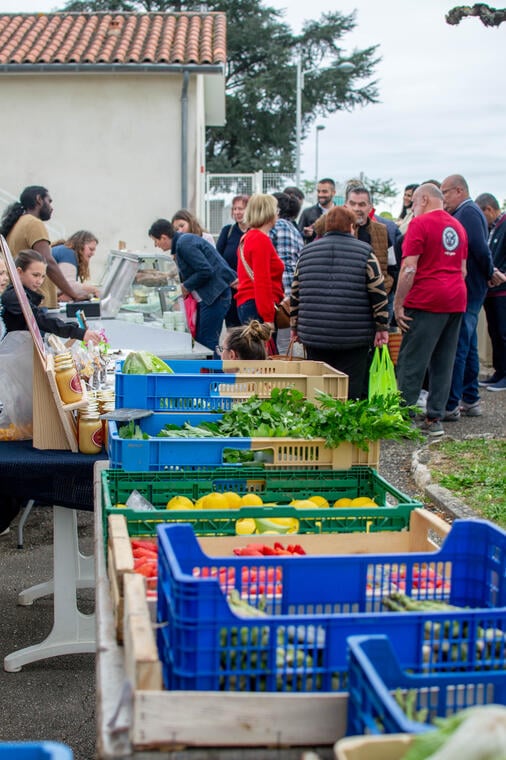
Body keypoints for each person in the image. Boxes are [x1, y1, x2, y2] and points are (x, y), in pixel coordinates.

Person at [290, 206, 389, 399]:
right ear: (352, 226)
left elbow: (295, 293)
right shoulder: (365, 252)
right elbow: (378, 291)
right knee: (349, 386)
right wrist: (381, 326)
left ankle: (320, 423)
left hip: (314, 334)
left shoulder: (307, 253)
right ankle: (346, 422)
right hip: (353, 337)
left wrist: (295, 326)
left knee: (319, 386)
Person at [394, 183, 468, 437]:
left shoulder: (420, 224)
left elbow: (409, 268)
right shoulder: (457, 226)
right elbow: (463, 270)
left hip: (427, 299)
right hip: (456, 298)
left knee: (412, 360)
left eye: (413, 203)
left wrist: (398, 302)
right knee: (444, 361)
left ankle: (404, 417)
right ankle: (434, 417)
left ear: (423, 199)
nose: (412, 208)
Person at [441, 174, 497, 421]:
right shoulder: (465, 213)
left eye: (445, 192)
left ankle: (451, 404)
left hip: (469, 289)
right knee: (468, 346)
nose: (443, 199)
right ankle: (471, 399)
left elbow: (480, 250)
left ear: (459, 190)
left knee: (459, 347)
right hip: (471, 289)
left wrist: (489, 273)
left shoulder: (469, 213)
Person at [148, 218, 235, 358]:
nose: (156, 245)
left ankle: (216, 375)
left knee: (208, 342)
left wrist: (185, 287)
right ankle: (211, 375)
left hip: (215, 296)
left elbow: (205, 270)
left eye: (155, 241)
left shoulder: (184, 244)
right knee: (204, 340)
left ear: (163, 237)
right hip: (211, 297)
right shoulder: (182, 243)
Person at [0, 186, 89, 307]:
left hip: (25, 301)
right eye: (49, 201)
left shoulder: (17, 223)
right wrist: (74, 295)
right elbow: (48, 261)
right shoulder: (34, 223)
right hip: (38, 303)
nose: (52, 208)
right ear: (39, 200)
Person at [1, 250, 102, 345]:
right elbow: (38, 319)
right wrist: (77, 332)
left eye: (43, 276)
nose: (39, 281)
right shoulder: (14, 296)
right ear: (19, 272)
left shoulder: (21, 294)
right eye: (35, 275)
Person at [235, 194, 284, 349]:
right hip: (258, 306)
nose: (278, 213)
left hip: (248, 303)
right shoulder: (260, 240)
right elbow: (262, 281)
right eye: (276, 209)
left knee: (253, 356)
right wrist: (268, 318)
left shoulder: (247, 237)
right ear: (268, 212)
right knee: (262, 359)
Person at [475, 192, 506, 391]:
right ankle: (499, 371)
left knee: (504, 333)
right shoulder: (491, 228)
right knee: (494, 332)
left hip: (503, 289)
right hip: (491, 290)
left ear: (489, 210)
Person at [269, 192, 304, 354]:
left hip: (277, 290)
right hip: (293, 292)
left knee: (276, 343)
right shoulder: (295, 230)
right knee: (285, 343)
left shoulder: (275, 227)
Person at [345, 185, 393, 295]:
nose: (356, 208)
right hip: (349, 295)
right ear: (346, 205)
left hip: (380, 294)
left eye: (362, 204)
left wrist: (387, 287)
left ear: (370, 207)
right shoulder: (337, 230)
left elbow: (392, 264)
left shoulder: (382, 230)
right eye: (352, 204)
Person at [216, 194, 250, 327]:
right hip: (231, 290)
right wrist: (230, 279)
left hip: (248, 289)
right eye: (234, 209)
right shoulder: (228, 231)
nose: (237, 212)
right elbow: (218, 259)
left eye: (241, 209)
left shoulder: (255, 232)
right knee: (233, 330)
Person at [52, 230, 100, 301]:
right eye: (91, 249)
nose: (93, 253)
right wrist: (94, 290)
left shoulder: (64, 250)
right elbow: (70, 285)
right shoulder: (68, 253)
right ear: (80, 246)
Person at [298, 178, 336, 244]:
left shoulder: (340, 214)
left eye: (324, 191)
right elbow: (298, 235)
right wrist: (305, 234)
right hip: (313, 252)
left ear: (333, 193)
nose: (320, 195)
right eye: (318, 191)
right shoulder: (307, 213)